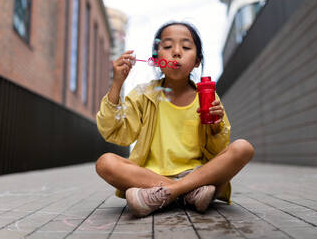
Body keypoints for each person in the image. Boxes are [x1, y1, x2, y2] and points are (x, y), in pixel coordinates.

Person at [95, 21, 254, 217]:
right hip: (150, 177)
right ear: (155, 58)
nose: (176, 52)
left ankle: (163, 195)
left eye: (186, 47)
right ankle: (188, 193)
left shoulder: (206, 97)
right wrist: (117, 84)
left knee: (243, 148)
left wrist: (215, 127)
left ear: (197, 61)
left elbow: (218, 153)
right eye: (168, 46)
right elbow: (115, 132)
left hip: (197, 173)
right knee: (105, 163)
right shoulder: (143, 95)